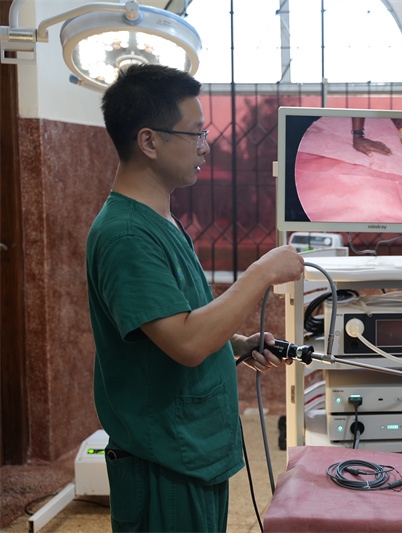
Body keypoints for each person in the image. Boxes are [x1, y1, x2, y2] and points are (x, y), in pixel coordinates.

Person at [86, 64, 305, 532]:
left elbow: (177, 323)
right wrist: (262, 272)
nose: (206, 145)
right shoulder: (127, 235)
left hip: (192, 451)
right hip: (164, 462)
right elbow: (186, 343)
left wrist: (235, 344)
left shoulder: (160, 220)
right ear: (149, 141)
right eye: (195, 133)